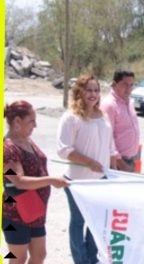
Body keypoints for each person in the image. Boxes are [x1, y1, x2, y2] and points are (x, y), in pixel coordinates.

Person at [57, 74, 118, 264]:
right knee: (78, 222)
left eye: (96, 90)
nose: (93, 94)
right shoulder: (71, 118)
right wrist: (89, 162)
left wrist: (114, 174)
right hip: (77, 181)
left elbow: (111, 149)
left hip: (101, 180)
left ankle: (92, 258)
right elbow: (63, 150)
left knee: (97, 221)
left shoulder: (103, 116)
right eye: (89, 90)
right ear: (80, 92)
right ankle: (80, 259)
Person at [3, 100, 69, 264]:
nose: (36, 125)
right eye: (31, 121)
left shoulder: (27, 141)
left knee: (39, 255)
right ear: (17, 121)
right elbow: (18, 181)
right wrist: (51, 180)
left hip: (35, 212)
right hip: (16, 213)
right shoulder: (8, 148)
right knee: (18, 258)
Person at [101, 69, 140, 172]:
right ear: (114, 84)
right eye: (125, 84)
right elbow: (107, 138)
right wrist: (121, 163)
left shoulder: (129, 102)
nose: (129, 89)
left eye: (131, 85)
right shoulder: (109, 105)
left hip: (130, 160)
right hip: (117, 163)